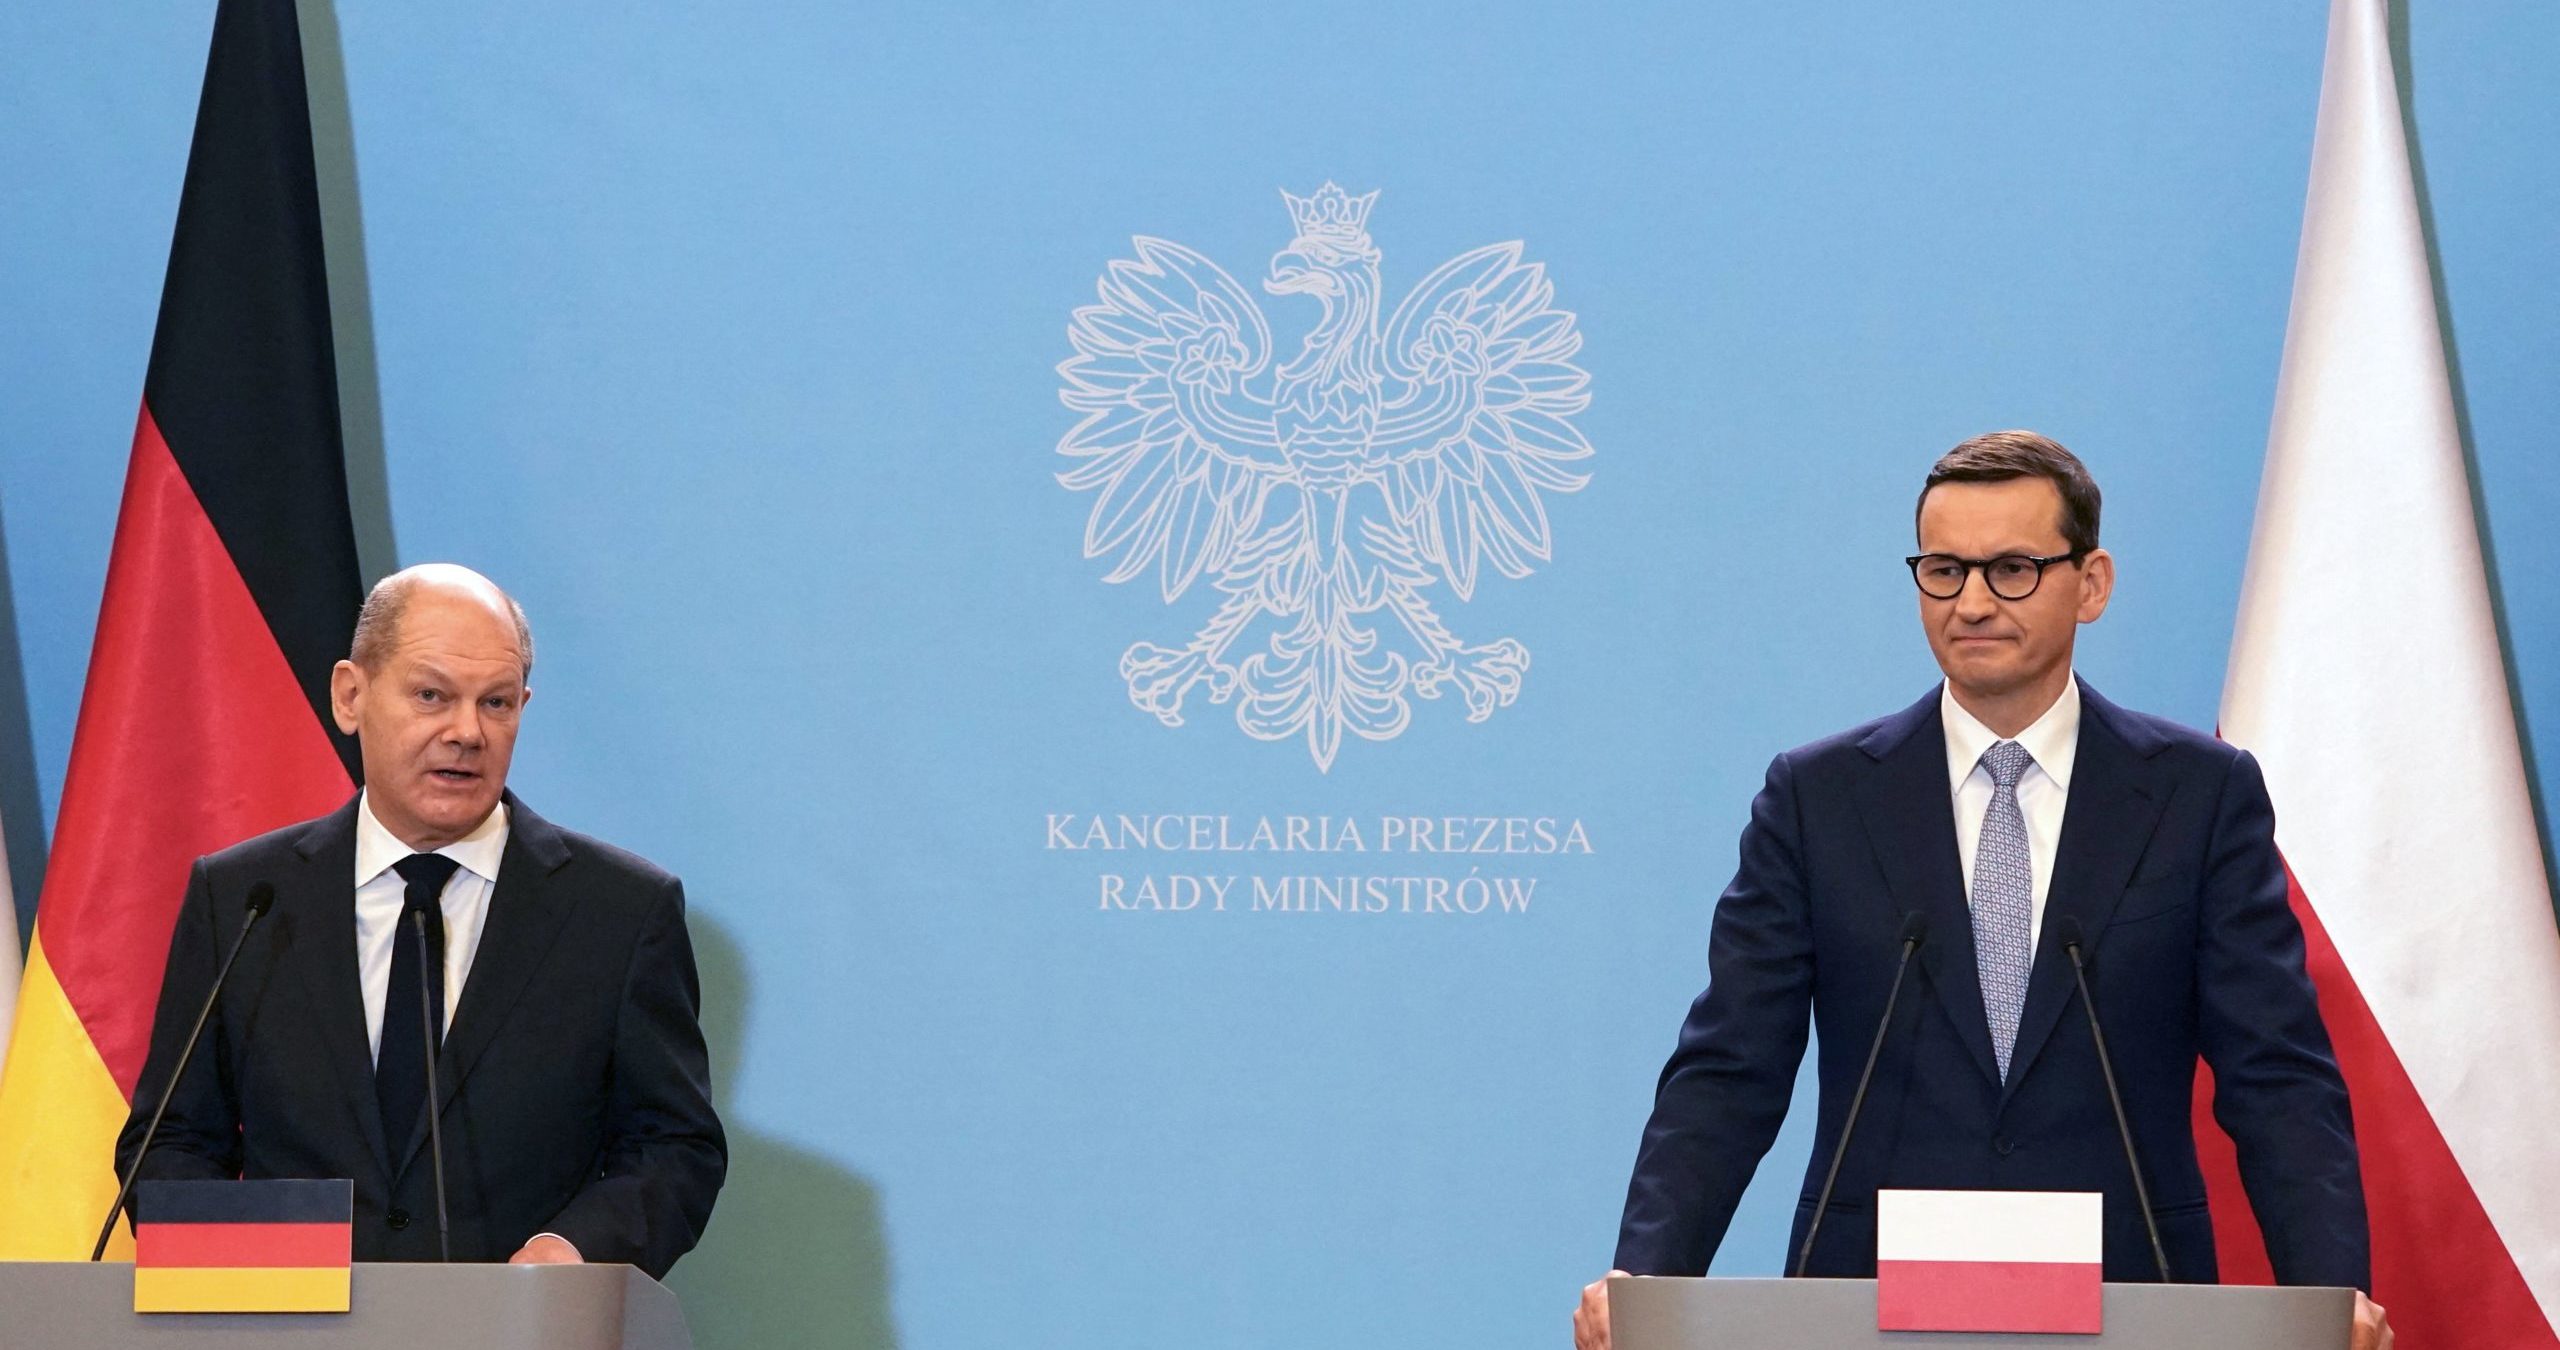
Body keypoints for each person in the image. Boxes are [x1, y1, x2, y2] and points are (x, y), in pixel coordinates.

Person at [1572, 434, 2389, 1350]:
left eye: (2010, 569)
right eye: (1943, 569)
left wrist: (2331, 1296)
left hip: (2136, 1296)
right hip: (1865, 1306)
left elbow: (2275, 1075)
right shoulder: (1820, 799)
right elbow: (1730, 1072)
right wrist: (1645, 1276)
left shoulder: (2197, 796)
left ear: (2092, 583)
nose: (1971, 602)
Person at [116, 564, 725, 1277]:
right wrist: (267, 1269)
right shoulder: (244, 897)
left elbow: (674, 1146)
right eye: (432, 695)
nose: (467, 732)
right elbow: (170, 1142)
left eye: (496, 704)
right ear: (352, 694)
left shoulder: (621, 912)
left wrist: (570, 1252)